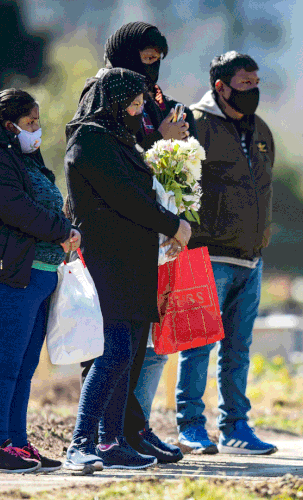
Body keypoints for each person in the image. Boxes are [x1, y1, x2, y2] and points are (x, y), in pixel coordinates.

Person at [77, 21, 196, 464]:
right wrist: (159, 139)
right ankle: (103, 438)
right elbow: (118, 160)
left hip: (149, 232)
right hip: (112, 235)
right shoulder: (100, 94)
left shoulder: (156, 98)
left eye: (158, 60)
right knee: (113, 347)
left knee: (141, 344)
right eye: (145, 59)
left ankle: (132, 430)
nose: (153, 69)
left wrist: (181, 146)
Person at [0, 89, 81, 473]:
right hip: (4, 277)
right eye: (30, 123)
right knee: (3, 367)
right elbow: (20, 211)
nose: (36, 130)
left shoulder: (22, 158)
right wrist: (63, 229)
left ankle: (18, 444)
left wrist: (68, 231)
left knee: (23, 370)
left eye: (38, 122)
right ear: (8, 125)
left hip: (36, 276)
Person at [176, 51, 277, 455]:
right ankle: (190, 427)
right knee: (198, 345)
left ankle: (236, 426)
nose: (253, 91)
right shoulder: (194, 125)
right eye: (244, 84)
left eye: (256, 83)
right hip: (207, 254)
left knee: (238, 349)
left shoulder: (263, 131)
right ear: (220, 86)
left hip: (251, 258)